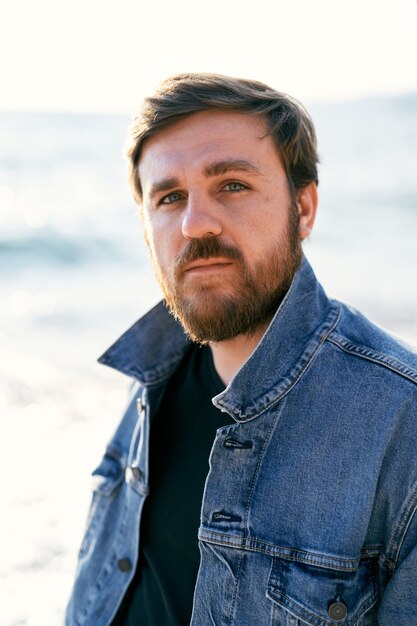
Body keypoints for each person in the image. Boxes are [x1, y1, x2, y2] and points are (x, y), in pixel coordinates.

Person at [66, 74, 417, 626]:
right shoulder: (150, 377)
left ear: (303, 208)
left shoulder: (403, 423)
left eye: (231, 184)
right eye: (169, 197)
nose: (194, 223)